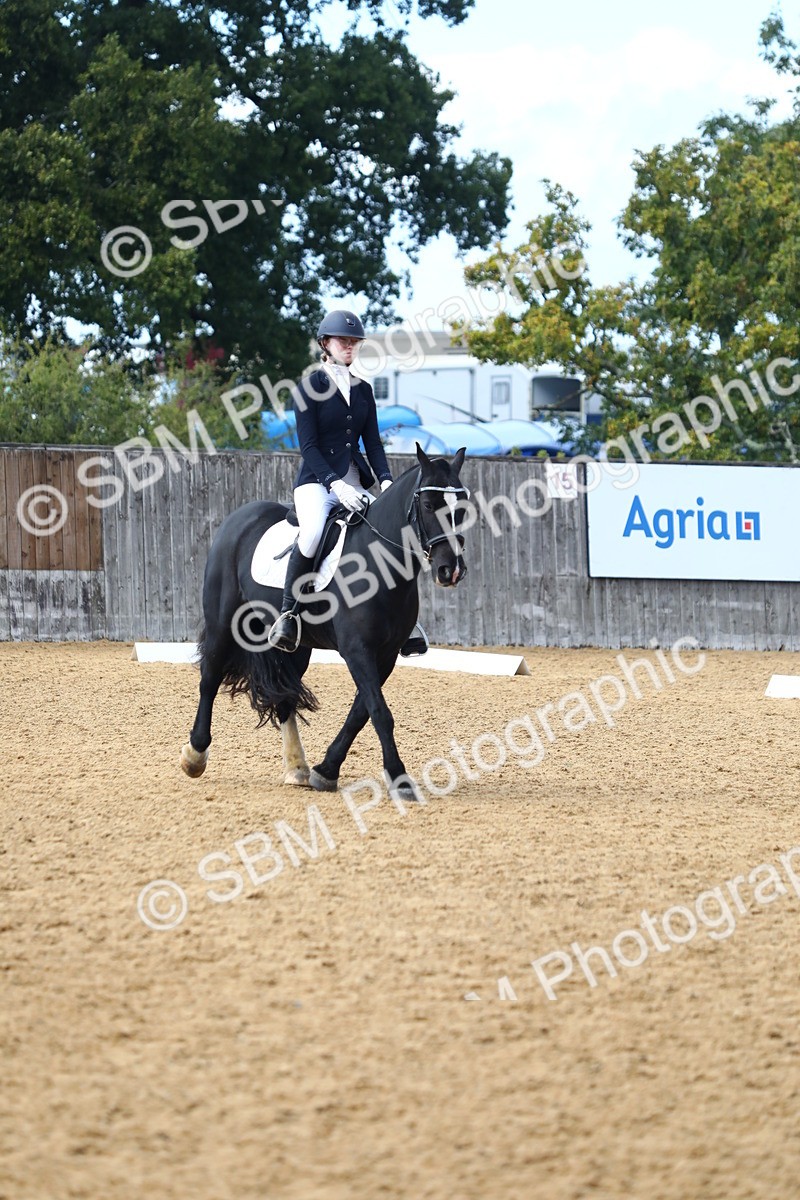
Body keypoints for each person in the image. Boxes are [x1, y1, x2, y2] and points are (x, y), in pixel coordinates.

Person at [267, 310, 427, 656]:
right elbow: (309, 447)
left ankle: (405, 621)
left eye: (355, 341)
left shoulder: (363, 389)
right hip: (316, 483)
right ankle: (289, 614)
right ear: (325, 343)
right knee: (312, 533)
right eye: (344, 341)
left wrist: (386, 482)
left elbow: (373, 443)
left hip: (356, 481)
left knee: (392, 531)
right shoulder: (309, 388)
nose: (350, 346)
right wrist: (334, 485)